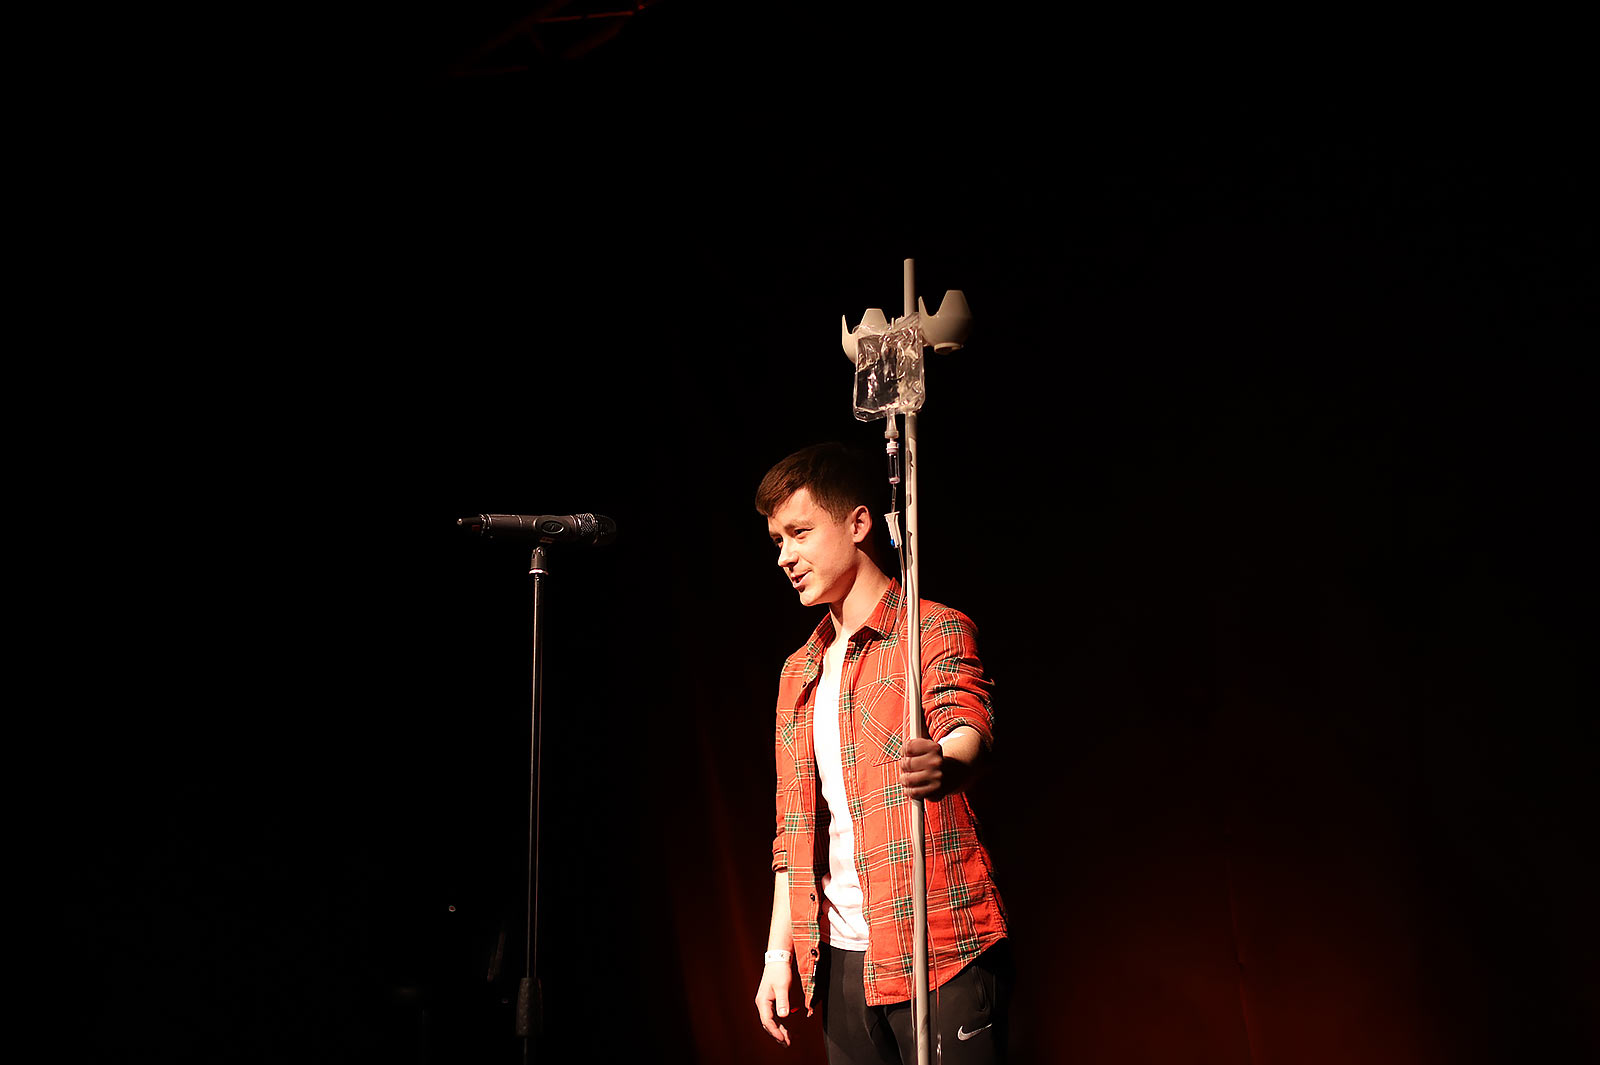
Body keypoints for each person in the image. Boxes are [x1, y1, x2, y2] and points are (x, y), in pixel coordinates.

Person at [752, 442, 1012, 1065]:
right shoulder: (799, 671)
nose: (785, 556)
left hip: (938, 947)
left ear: (859, 523)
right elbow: (794, 829)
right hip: (843, 960)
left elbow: (968, 722)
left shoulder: (932, 629)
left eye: (800, 533)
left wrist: (947, 763)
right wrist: (777, 954)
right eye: (778, 541)